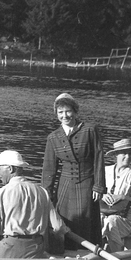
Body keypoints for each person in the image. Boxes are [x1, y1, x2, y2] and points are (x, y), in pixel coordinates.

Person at [42, 92, 106, 245]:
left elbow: (99, 158)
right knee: (63, 219)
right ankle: (64, 251)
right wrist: (46, 194)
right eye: (60, 112)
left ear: (75, 111)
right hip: (64, 185)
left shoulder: (90, 130)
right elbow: (49, 169)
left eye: (68, 111)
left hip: (86, 182)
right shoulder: (53, 137)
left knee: (84, 220)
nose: (64, 115)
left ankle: (87, 252)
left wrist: (99, 186)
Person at [0, 150, 65, 258]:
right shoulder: (42, 192)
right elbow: (58, 227)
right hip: (35, 250)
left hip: (9, 249)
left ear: (10, 169)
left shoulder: (1, 193)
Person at [101, 138, 131, 251]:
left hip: (124, 219)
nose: (128, 157)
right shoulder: (105, 171)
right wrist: (102, 195)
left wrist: (123, 197)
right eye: (124, 153)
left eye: (130, 153)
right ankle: (95, 251)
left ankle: (117, 253)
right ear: (116, 155)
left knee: (111, 221)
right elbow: (94, 192)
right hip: (104, 213)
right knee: (100, 218)